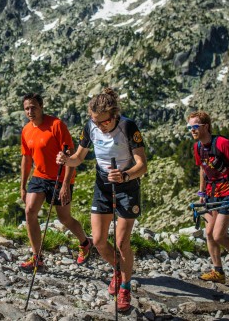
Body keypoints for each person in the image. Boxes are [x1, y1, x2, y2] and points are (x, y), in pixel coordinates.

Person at [56, 88, 147, 312]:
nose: (100, 127)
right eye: (95, 122)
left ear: (114, 115)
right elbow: (78, 158)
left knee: (121, 242)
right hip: (103, 185)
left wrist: (125, 175)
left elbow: (142, 165)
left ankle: (125, 286)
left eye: (104, 122)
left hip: (127, 186)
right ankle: (118, 269)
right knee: (97, 241)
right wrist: (66, 160)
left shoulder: (128, 126)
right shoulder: (91, 127)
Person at [20, 93, 92, 271]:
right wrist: (22, 186)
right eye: (27, 108)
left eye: (33, 107)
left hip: (61, 178)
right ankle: (37, 257)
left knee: (64, 218)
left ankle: (85, 243)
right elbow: (26, 159)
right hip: (39, 177)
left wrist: (66, 183)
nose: (30, 111)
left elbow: (70, 155)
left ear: (41, 106)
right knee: (30, 211)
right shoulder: (26, 130)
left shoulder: (56, 125)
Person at [187, 110, 229, 284]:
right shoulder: (198, 147)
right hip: (211, 194)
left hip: (228, 193)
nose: (192, 130)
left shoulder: (223, 143)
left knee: (218, 235)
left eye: (195, 126)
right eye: (189, 127)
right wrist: (201, 192)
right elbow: (202, 169)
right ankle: (218, 271)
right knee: (209, 233)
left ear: (206, 127)